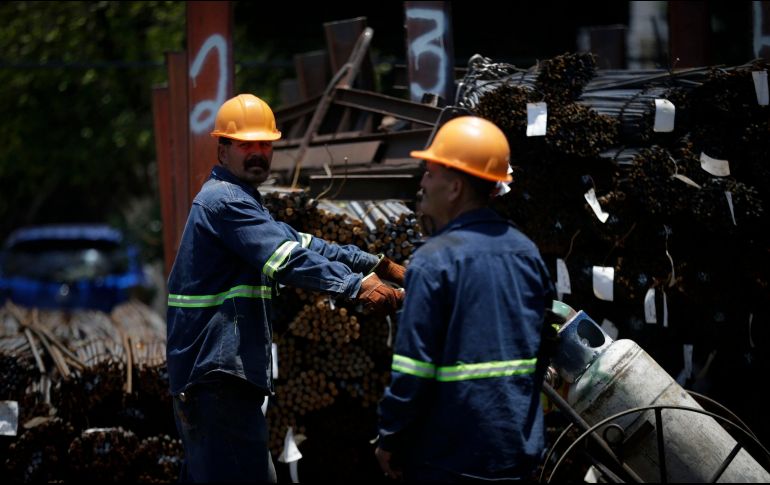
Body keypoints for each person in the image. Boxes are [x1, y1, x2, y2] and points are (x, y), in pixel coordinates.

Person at [166, 94, 406, 483]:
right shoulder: (225, 203)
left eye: (264, 144)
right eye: (246, 144)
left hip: (215, 377)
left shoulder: (243, 201)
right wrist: (356, 287)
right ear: (222, 148)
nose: (258, 153)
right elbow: (286, 258)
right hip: (216, 377)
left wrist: (376, 264)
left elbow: (307, 243)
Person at [375, 116, 555, 482]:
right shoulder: (527, 253)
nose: (423, 182)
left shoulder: (434, 260)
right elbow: (542, 348)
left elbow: (414, 369)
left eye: (430, 172)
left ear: (455, 187)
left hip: (450, 457)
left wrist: (391, 436)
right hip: (516, 453)